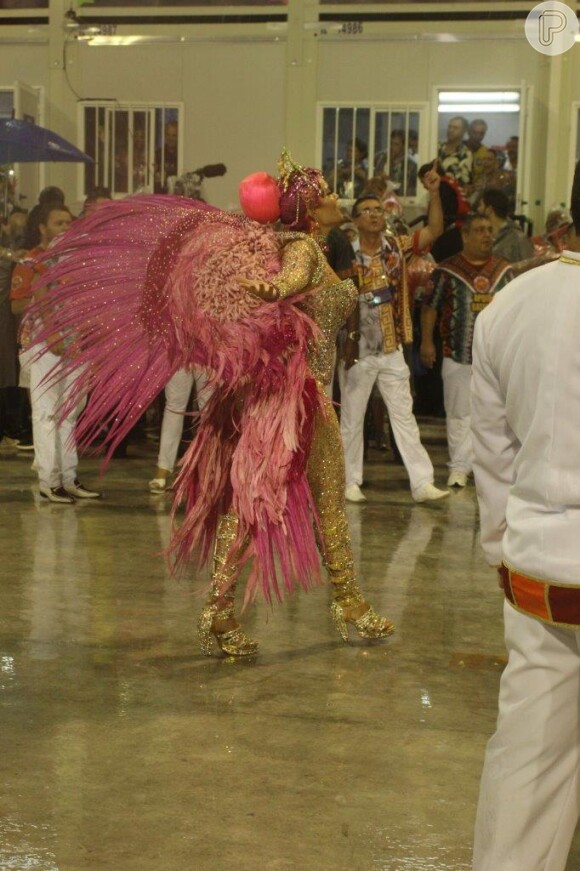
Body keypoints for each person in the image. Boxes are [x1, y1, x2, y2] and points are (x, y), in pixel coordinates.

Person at [25, 151, 394, 656]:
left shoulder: (307, 246)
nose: (335, 196)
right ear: (309, 204)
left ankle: (340, 602)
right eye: (326, 190)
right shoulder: (302, 249)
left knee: (314, 501)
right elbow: (286, 284)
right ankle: (232, 610)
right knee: (257, 504)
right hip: (293, 401)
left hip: (302, 397)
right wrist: (269, 288)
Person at [471, 162, 580, 871]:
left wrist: (502, 548)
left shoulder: (509, 305)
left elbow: (492, 456)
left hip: (542, 568)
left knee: (530, 762)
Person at [339, 177, 450, 505]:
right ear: (356, 220)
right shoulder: (346, 251)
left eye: (378, 209)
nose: (374, 215)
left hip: (390, 346)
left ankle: (422, 483)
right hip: (357, 347)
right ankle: (349, 481)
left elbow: (435, 230)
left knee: (404, 414)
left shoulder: (396, 246)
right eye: (366, 211)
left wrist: (433, 192)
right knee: (352, 418)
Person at [10, 203, 101, 504]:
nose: (65, 227)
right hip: (44, 344)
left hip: (76, 344)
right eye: (58, 222)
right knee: (47, 413)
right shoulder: (31, 261)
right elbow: (16, 305)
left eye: (68, 222)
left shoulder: (77, 260)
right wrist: (44, 313)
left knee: (69, 415)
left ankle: (68, 477)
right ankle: (48, 480)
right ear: (43, 227)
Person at [420, 214, 513, 488]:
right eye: (481, 231)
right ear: (466, 236)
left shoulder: (504, 271)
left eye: (490, 230)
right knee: (459, 413)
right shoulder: (447, 270)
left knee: (494, 414)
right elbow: (429, 308)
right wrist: (426, 342)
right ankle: (459, 467)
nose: (487, 236)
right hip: (457, 354)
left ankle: (487, 469)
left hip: (497, 357)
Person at [477, 189, 533, 262]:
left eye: (480, 205)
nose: (478, 209)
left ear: (489, 210)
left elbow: (528, 267)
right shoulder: (484, 235)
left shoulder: (518, 239)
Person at [437, 116, 472, 189]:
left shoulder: (465, 154)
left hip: (452, 195)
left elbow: (465, 182)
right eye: (449, 127)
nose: (451, 130)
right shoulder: (437, 147)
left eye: (455, 128)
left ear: (463, 131)